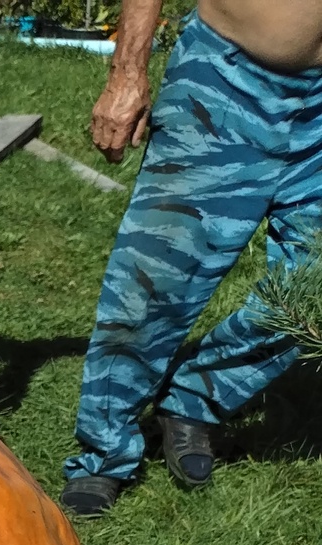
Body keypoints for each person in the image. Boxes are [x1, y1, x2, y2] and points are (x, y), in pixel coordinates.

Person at [62, 0, 322, 517]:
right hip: (226, 80)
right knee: (156, 278)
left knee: (313, 296)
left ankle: (196, 398)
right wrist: (128, 71)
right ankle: (104, 450)